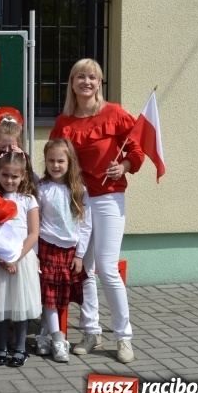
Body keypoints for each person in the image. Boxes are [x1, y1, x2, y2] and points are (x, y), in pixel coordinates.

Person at [50, 59, 144, 364]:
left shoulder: (114, 113)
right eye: (80, 76)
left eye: (92, 77)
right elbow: (55, 160)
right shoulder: (64, 121)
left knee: (106, 267)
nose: (86, 82)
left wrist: (125, 166)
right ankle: (91, 332)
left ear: (99, 82)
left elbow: (137, 148)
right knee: (84, 270)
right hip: (78, 200)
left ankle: (124, 337)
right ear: (72, 83)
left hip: (108, 197)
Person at [35, 139, 92, 363]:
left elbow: (85, 224)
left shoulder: (79, 189)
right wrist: (36, 254)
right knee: (49, 295)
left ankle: (42, 334)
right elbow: (36, 223)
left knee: (60, 297)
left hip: (70, 251)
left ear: (70, 162)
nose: (55, 165)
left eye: (60, 160)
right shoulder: (41, 189)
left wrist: (80, 254)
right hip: (48, 247)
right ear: (45, 161)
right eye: (51, 160)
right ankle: (58, 340)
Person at [0, 150, 41, 368]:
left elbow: (33, 233)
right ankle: (1, 347)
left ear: (23, 177)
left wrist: (16, 257)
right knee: (0, 304)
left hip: (22, 260)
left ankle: (19, 349)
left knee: (20, 305)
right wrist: (2, 257)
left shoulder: (28, 200)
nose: (9, 180)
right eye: (5, 175)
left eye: (15, 176)